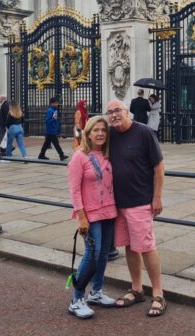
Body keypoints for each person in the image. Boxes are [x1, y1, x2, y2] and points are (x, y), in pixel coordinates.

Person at [105, 99, 167, 317]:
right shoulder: (110, 135)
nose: (114, 115)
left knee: (147, 246)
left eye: (118, 111)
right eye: (110, 112)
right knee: (130, 247)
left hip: (140, 200)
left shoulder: (144, 133)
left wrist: (157, 197)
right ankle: (137, 288)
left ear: (127, 112)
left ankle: (158, 293)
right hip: (118, 203)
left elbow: (159, 166)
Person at [67, 116, 117, 319]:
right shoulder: (79, 157)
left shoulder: (107, 154)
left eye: (103, 130)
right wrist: (82, 217)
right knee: (91, 255)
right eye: (95, 130)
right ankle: (76, 299)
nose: (100, 134)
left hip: (109, 211)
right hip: (90, 214)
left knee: (103, 254)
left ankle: (96, 292)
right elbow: (74, 190)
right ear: (87, 133)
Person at [39, 97, 67, 161]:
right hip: (51, 130)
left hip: (53, 130)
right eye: (56, 103)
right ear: (52, 103)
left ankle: (41, 155)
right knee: (56, 143)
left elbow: (55, 120)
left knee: (46, 144)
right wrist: (53, 124)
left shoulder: (54, 110)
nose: (57, 104)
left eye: (57, 103)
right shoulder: (50, 110)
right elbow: (48, 121)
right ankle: (61, 155)